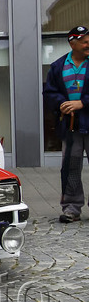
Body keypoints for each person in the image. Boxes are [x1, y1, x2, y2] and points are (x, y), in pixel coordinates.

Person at [44, 25, 89, 223]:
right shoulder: (58, 66)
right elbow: (49, 93)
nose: (88, 45)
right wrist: (60, 103)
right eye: (85, 42)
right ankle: (71, 208)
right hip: (70, 127)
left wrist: (82, 102)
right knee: (70, 168)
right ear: (73, 44)